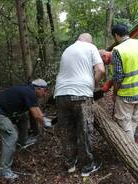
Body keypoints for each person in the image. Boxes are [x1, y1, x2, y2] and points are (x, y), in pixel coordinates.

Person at [54, 33, 105, 177]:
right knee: (84, 130)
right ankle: (87, 167)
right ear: (89, 40)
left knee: (66, 130)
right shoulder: (90, 47)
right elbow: (101, 70)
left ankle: (70, 164)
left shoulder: (67, 49)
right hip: (81, 94)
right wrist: (94, 83)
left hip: (61, 94)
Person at [0, 79, 48, 180]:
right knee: (11, 136)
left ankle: (23, 142)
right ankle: (4, 170)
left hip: (4, 111)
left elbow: (35, 111)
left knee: (23, 117)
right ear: (39, 88)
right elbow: (37, 115)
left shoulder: (28, 90)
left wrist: (42, 118)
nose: (45, 94)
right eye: (45, 91)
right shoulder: (30, 93)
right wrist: (45, 123)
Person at [111, 24, 138, 141]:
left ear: (116, 36)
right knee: (134, 119)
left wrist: (115, 92)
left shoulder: (118, 50)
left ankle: (130, 150)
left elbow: (118, 77)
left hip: (126, 93)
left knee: (124, 124)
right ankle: (133, 144)